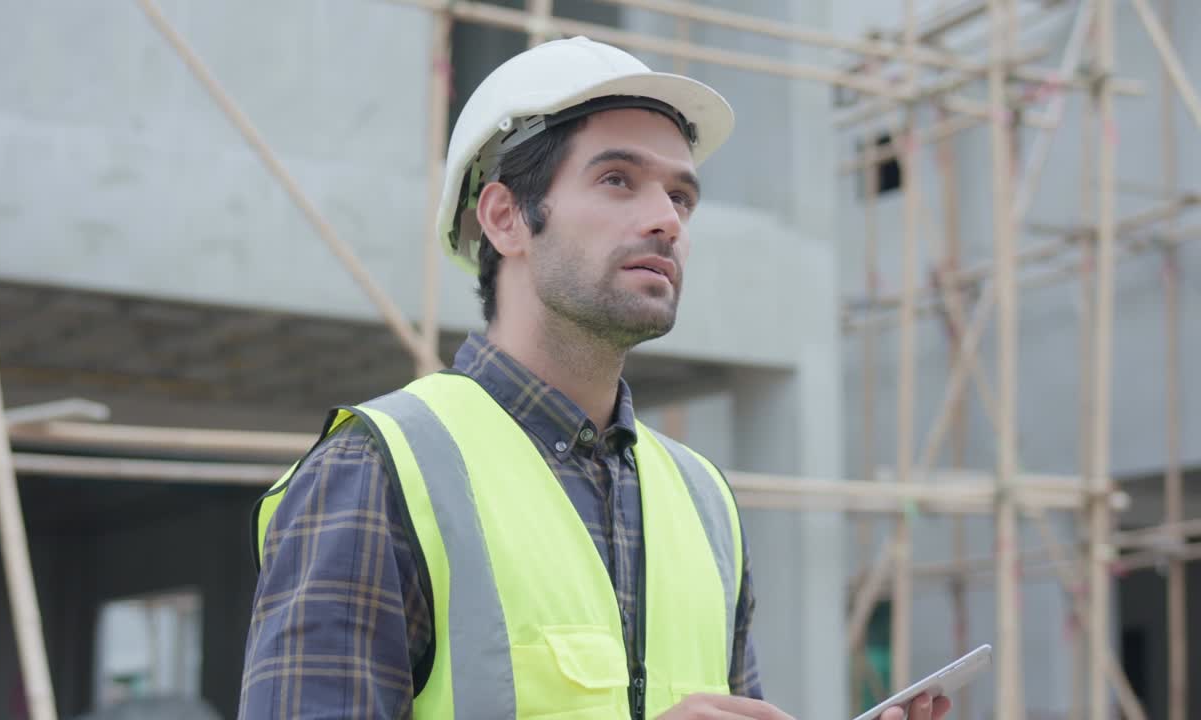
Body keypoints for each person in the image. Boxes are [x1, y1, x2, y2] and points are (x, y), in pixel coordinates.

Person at [238, 36, 950, 720]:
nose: (666, 220)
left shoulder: (704, 503)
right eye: (618, 180)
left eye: (681, 196)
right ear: (506, 218)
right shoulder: (377, 471)